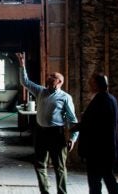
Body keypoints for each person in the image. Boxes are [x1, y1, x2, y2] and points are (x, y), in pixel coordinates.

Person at [16, 52, 78, 194]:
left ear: (60, 82)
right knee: (39, 165)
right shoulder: (41, 91)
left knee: (59, 167)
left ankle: (62, 192)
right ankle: (45, 192)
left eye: (53, 78)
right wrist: (22, 65)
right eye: (49, 77)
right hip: (41, 133)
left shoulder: (65, 97)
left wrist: (73, 138)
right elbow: (25, 82)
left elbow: (72, 120)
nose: (49, 79)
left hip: (57, 134)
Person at [70, 73, 118, 194]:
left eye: (91, 83)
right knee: (107, 177)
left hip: (99, 149)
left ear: (97, 85)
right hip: (107, 147)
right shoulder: (110, 98)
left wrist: (74, 128)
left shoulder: (102, 100)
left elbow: (93, 122)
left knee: (96, 181)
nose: (89, 85)